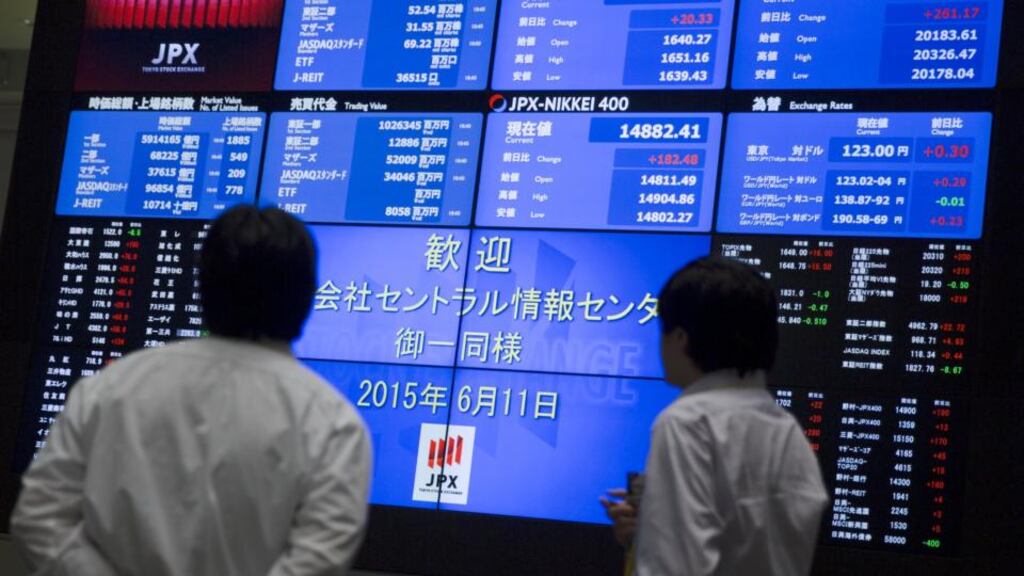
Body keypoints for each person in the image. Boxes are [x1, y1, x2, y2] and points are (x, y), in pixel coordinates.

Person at [11, 206, 372, 576]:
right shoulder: (332, 424)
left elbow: (39, 517)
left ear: (202, 284)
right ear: (308, 295)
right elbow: (319, 560)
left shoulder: (107, 390)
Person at [601, 256, 828, 576]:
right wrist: (651, 529)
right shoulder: (785, 427)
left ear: (680, 338)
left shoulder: (686, 423)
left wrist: (659, 536)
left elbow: (676, 566)